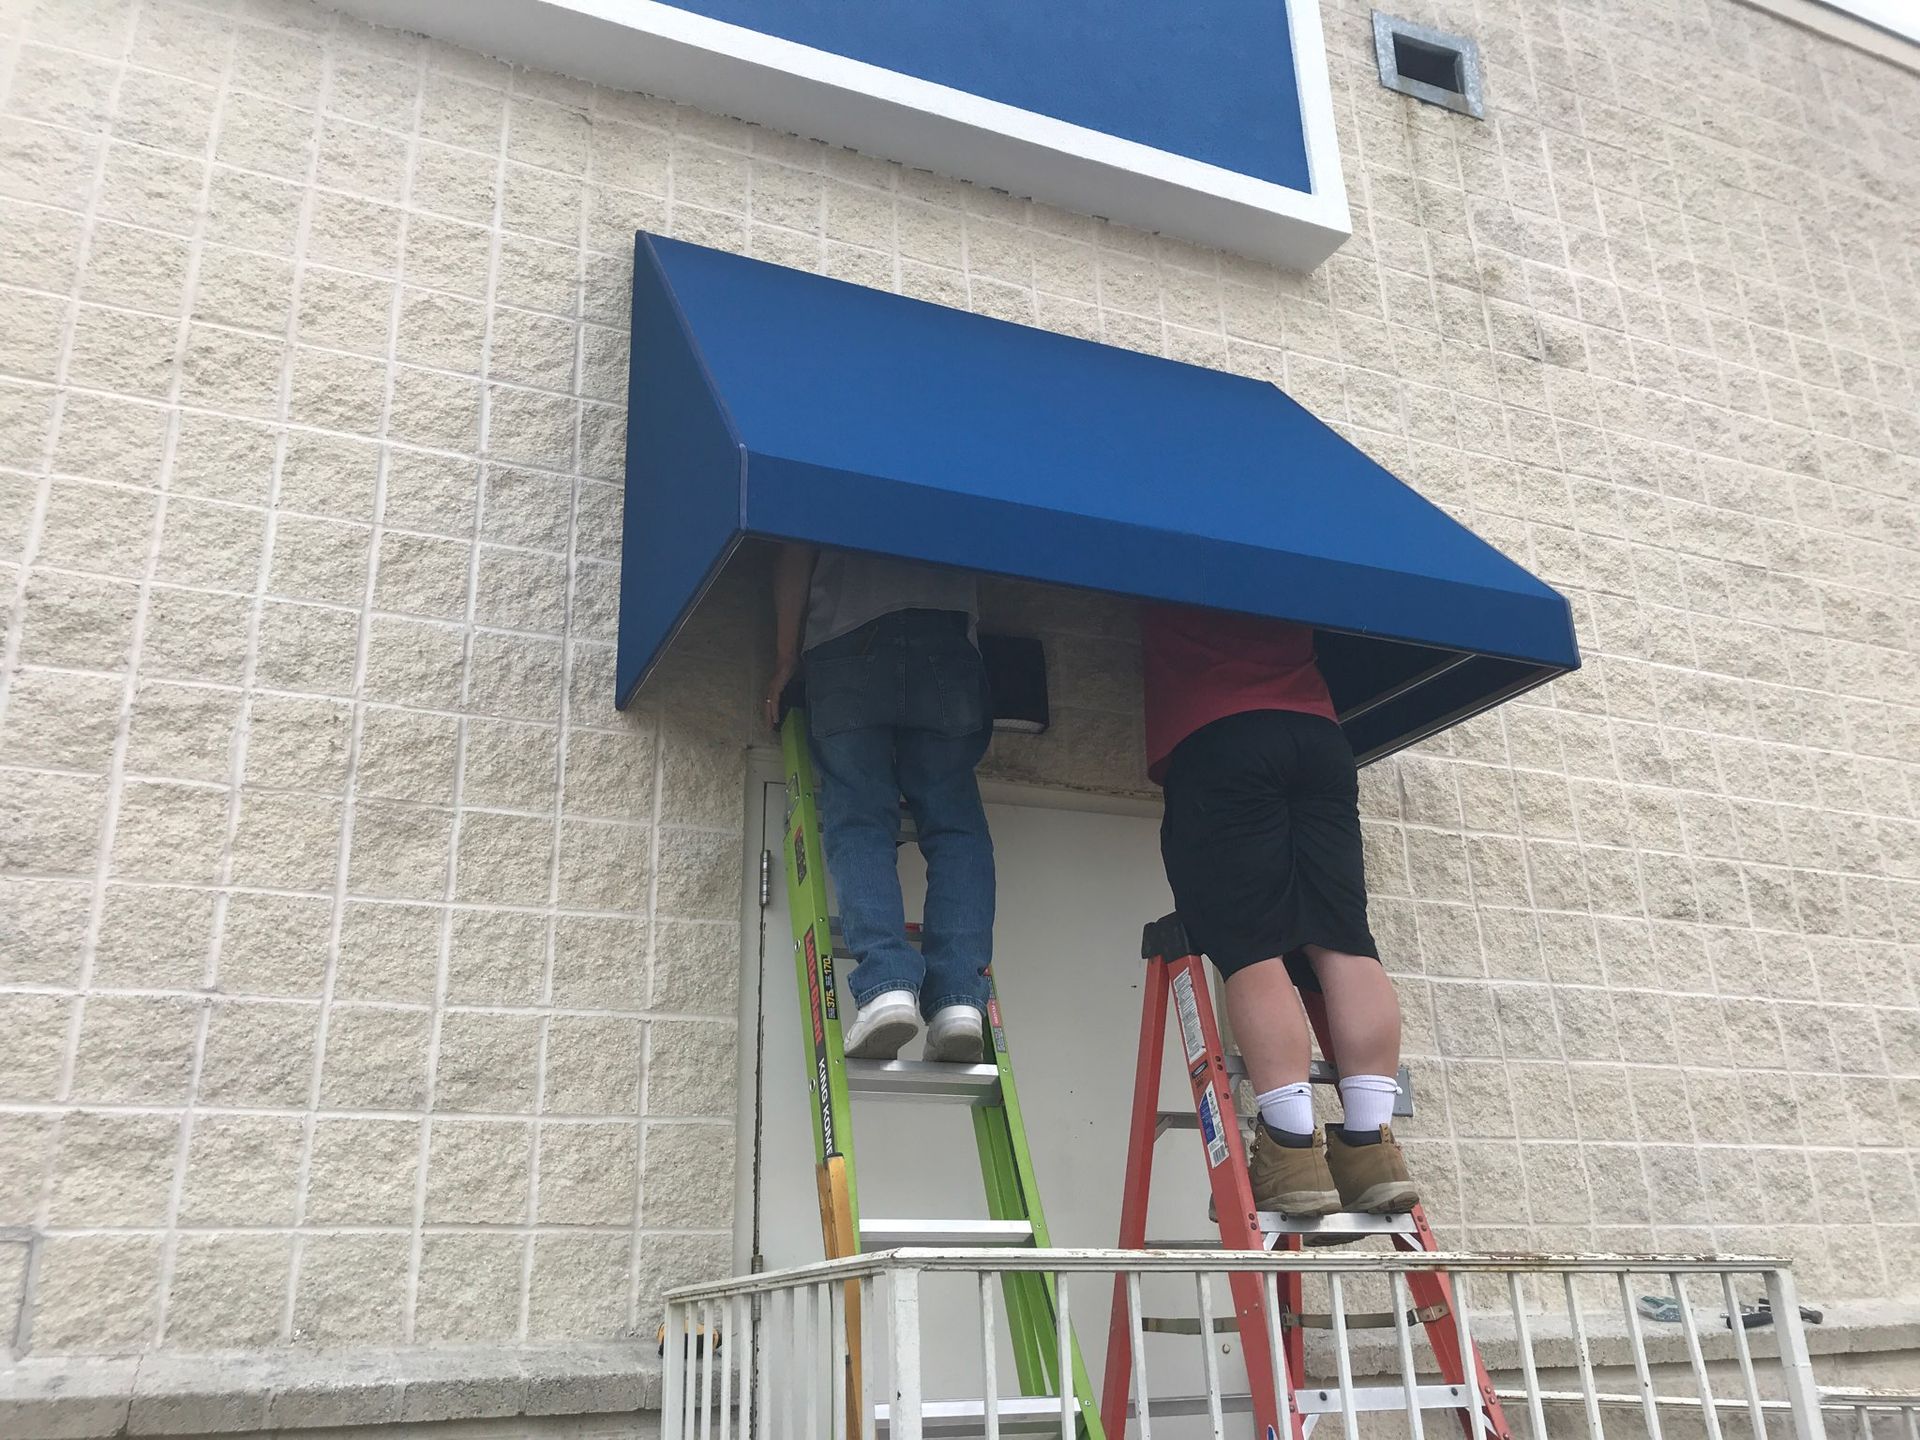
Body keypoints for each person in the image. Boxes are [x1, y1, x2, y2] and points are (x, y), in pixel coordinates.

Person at [1141, 601, 1417, 1217]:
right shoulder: (1287, 523)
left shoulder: (1166, 520)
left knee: (1251, 946)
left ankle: (1291, 1150)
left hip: (1217, 734)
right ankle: (1370, 1146)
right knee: (1344, 942)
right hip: (1319, 737)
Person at [766, 544, 995, 1063]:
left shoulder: (828, 458)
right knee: (956, 826)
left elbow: (794, 547)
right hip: (948, 638)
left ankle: (887, 988)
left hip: (848, 637)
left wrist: (784, 658)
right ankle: (960, 1001)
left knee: (859, 816)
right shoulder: (970, 457)